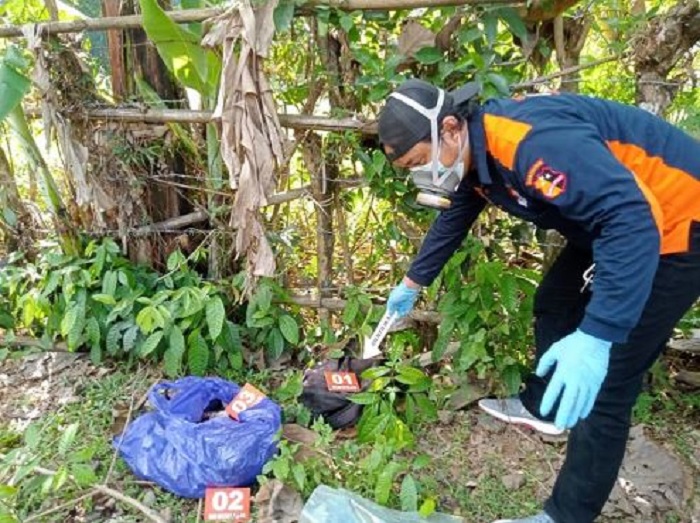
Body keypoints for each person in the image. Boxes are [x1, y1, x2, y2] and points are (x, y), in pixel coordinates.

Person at [378, 78, 700, 523]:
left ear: (450, 128)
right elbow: (456, 213)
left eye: (419, 161)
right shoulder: (475, 155)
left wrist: (598, 336)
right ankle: (546, 407)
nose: (422, 174)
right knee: (555, 300)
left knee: (609, 381)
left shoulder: (529, 142)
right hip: (616, 220)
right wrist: (412, 284)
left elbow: (631, 218)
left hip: (676, 220)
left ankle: (564, 516)